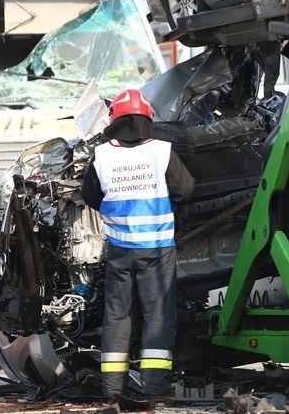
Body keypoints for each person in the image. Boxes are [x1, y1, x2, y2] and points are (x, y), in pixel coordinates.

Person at [80, 88, 195, 400]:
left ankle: (112, 390)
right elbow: (185, 190)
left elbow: (90, 196)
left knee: (117, 317)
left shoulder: (102, 156)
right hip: (157, 251)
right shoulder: (160, 151)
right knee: (157, 316)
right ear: (148, 119)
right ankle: (155, 389)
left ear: (114, 121)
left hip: (119, 252)